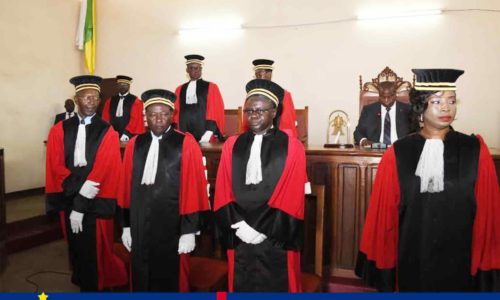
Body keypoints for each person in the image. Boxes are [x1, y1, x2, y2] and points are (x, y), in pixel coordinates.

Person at [355, 69, 500, 291]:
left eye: (451, 100)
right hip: (412, 259)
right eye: (436, 101)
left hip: (461, 261)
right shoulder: (398, 154)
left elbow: (488, 216)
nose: (446, 107)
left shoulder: (474, 150)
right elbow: (385, 219)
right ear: (420, 107)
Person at [214, 79, 308, 292]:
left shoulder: (292, 146)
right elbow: (223, 189)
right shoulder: (231, 145)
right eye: (248, 110)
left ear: (274, 112)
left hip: (276, 235)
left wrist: (260, 229)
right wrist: (239, 225)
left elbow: (291, 194)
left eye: (260, 110)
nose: (253, 115)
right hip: (239, 233)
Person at [118, 89, 210, 291]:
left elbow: (195, 189)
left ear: (172, 115)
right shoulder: (135, 144)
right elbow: (126, 187)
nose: (158, 119)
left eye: (164, 114)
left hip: (172, 224)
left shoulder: (185, 143)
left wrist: (189, 230)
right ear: (145, 117)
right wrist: (126, 225)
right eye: (152, 114)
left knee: (171, 278)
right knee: (142, 274)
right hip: (140, 223)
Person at [45, 75, 127, 291]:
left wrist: (81, 205)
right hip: (69, 195)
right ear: (76, 98)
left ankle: (95, 286)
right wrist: (78, 192)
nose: (90, 101)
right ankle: (81, 281)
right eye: (85, 97)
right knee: (75, 245)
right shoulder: (59, 130)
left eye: (95, 97)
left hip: (96, 199)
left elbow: (103, 168)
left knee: (95, 249)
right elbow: (56, 164)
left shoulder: (107, 131)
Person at [174, 54, 225, 143]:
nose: (194, 71)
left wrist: (209, 131)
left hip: (204, 132)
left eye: (196, 68)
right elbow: (175, 112)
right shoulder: (179, 89)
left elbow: (214, 110)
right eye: (191, 68)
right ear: (187, 70)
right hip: (184, 131)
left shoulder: (211, 87)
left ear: (201, 69)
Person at [240, 59, 298, 137]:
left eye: (260, 74)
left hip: (277, 137)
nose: (258, 78)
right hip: (253, 135)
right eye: (256, 75)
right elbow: (246, 122)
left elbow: (287, 123)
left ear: (269, 74)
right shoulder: (251, 96)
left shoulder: (284, 95)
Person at [353, 81, 411, 147]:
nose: (386, 100)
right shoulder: (369, 110)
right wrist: (363, 140)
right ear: (379, 95)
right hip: (376, 149)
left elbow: (416, 133)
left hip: (400, 150)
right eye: (383, 97)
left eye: (389, 97)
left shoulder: (407, 110)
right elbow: (358, 132)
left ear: (395, 95)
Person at [102, 75, 145, 142]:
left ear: (129, 86)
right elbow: (106, 118)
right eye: (120, 84)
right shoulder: (110, 100)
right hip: (112, 134)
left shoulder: (135, 101)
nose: (122, 86)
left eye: (125, 84)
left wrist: (127, 134)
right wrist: (109, 132)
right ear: (117, 86)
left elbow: (135, 119)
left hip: (129, 135)